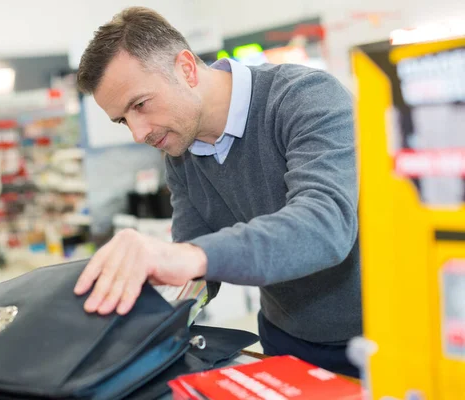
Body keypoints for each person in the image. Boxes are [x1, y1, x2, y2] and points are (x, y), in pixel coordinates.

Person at [74, 7, 362, 377]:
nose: (138, 132)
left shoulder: (306, 98)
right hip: (283, 338)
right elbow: (197, 266)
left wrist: (188, 257)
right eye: (122, 119)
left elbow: (325, 228)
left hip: (380, 337)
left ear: (186, 69)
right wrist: (144, 316)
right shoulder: (179, 150)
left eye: (140, 105)